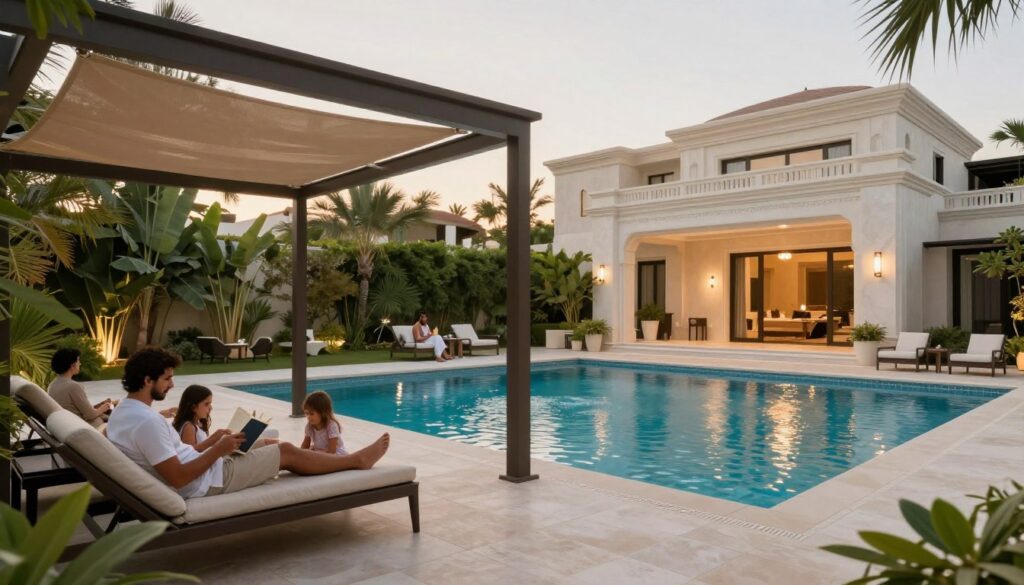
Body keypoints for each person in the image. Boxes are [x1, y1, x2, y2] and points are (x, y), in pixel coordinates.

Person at [106, 346, 390, 499]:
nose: (172, 384)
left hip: (205, 467)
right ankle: (355, 461)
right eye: (167, 378)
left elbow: (176, 457)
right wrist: (218, 451)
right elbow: (178, 478)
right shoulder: (146, 422)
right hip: (209, 481)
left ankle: (345, 459)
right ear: (147, 380)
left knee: (267, 442)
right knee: (286, 451)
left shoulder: (122, 413)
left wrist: (216, 442)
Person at [47, 348, 112, 428]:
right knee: (111, 412)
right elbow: (90, 415)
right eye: (78, 361)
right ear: (72, 365)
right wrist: (104, 407)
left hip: (65, 425)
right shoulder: (73, 386)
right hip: (82, 426)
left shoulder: (52, 385)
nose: (80, 364)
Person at [171, 385, 230, 452]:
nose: (211, 408)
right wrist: (212, 439)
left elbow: (204, 447)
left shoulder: (199, 423)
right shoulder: (188, 426)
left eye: (210, 404)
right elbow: (188, 453)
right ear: (194, 407)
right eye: (206, 404)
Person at [301, 391, 347, 455]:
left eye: (312, 414)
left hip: (335, 454)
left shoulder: (331, 426)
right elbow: (304, 446)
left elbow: (332, 452)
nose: (308, 417)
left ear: (322, 413)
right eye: (306, 413)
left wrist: (315, 454)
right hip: (320, 451)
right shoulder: (309, 426)